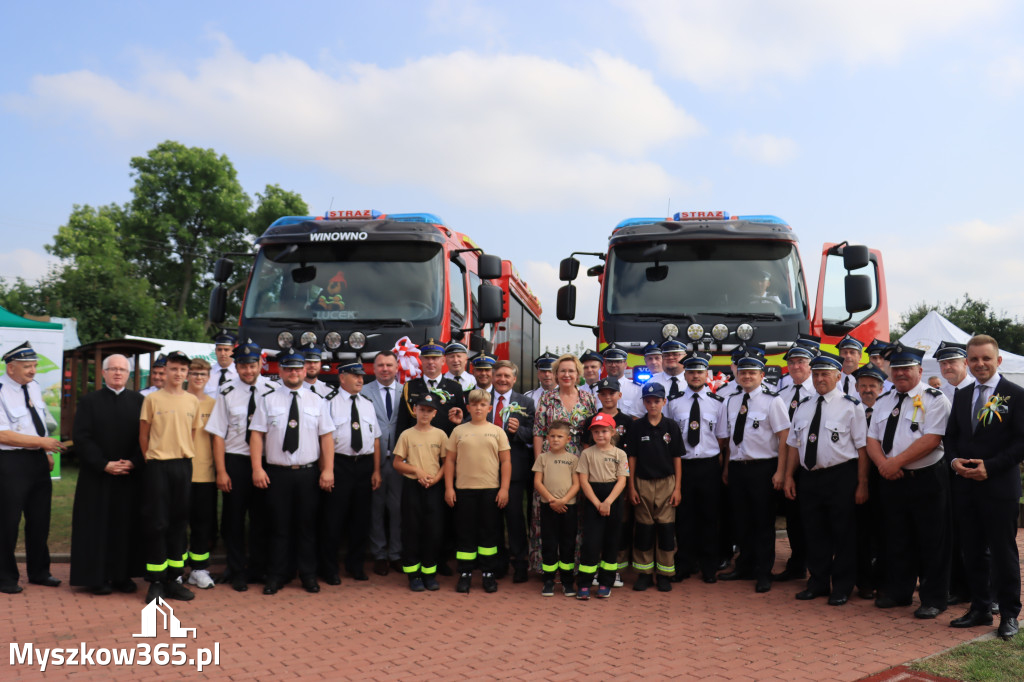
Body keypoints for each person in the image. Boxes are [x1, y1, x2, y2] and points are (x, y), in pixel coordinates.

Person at [866, 342, 951, 619]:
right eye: (896, 368)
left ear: (918, 369)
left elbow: (932, 439)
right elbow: (872, 439)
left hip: (926, 479)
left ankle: (934, 599)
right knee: (896, 538)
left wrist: (895, 463)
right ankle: (899, 592)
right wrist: (883, 465)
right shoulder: (883, 400)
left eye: (906, 368)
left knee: (931, 540)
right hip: (891, 479)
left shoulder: (935, 398)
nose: (900, 373)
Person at [945, 335, 1023, 640]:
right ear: (967, 361)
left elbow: (1021, 442)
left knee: (1003, 553)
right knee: (972, 550)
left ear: (998, 360)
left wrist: (990, 467)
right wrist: (953, 463)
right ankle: (979, 608)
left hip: (999, 488)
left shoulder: (1015, 395)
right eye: (974, 359)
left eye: (985, 359)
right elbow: (950, 437)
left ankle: (1009, 614)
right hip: (965, 487)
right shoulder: (962, 396)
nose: (979, 364)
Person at [784, 352, 868, 606]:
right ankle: (817, 582)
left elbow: (862, 448)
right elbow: (793, 445)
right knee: (814, 531)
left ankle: (842, 586)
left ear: (838, 376)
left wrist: (862, 483)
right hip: (810, 477)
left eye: (825, 374)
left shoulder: (852, 406)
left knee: (843, 533)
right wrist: (789, 475)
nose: (820, 379)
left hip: (841, 476)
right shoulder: (804, 405)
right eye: (817, 374)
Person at [250, 348, 335, 595]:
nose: (294, 372)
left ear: (305, 370)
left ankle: (307, 575)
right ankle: (277, 575)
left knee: (307, 527)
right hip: (278, 474)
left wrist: (327, 470)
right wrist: (257, 468)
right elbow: (257, 435)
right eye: (289, 368)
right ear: (281, 370)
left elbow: (326, 438)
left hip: (308, 474)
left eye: (298, 368)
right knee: (279, 527)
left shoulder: (317, 401)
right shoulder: (268, 400)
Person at [715, 347, 789, 593]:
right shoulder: (731, 401)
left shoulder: (773, 400)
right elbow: (727, 441)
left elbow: (784, 437)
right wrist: (726, 468)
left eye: (752, 372)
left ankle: (763, 572)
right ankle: (744, 566)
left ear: (761, 374)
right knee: (741, 521)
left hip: (763, 468)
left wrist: (780, 472)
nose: (746, 376)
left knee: (763, 522)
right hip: (738, 468)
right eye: (743, 372)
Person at [69, 353, 144, 595]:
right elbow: (82, 437)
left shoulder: (139, 401)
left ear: (129, 374)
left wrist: (133, 462)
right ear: (103, 373)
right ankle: (96, 577)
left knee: (125, 526)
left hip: (128, 477)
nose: (118, 373)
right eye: (112, 369)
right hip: (97, 476)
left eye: (122, 369)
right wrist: (104, 464)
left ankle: (122, 576)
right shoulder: (89, 401)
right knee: (95, 527)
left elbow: (146, 437)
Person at [204, 339, 274, 591]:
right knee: (233, 520)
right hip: (235, 461)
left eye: (252, 365)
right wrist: (221, 471)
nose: (248, 371)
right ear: (237, 365)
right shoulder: (226, 391)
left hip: (265, 463)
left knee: (261, 518)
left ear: (260, 364)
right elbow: (218, 434)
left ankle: (258, 568)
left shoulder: (272, 389)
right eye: (243, 366)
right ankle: (236, 569)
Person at [0, 341, 66, 594]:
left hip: (37, 460)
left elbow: (40, 423)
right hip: (11, 463)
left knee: (40, 520)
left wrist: (46, 451)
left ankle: (40, 572)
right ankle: (5, 577)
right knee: (8, 522)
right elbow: (2, 435)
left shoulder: (35, 388)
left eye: (34, 366)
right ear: (10, 368)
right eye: (27, 366)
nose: (33, 371)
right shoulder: (1, 391)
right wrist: (41, 443)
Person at [139, 350, 203, 603]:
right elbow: (143, 434)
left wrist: (182, 455)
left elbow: (193, 433)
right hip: (157, 466)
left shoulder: (192, 401)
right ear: (164, 371)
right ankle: (156, 580)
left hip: (182, 466)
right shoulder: (152, 399)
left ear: (187, 374)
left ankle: (174, 579)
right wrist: (150, 459)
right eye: (174, 368)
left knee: (178, 522)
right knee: (157, 522)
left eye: (183, 370)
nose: (178, 374)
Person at [530, 354, 597, 571]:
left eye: (571, 371)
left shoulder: (587, 399)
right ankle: (546, 565)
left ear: (578, 374)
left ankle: (573, 565)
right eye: (562, 371)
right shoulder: (547, 399)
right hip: (550, 460)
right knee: (547, 512)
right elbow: (539, 432)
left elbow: (592, 433)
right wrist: (540, 464)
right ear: (556, 374)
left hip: (579, 461)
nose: (566, 375)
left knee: (576, 512)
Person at [665, 351, 725, 584]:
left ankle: (709, 565)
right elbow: (671, 436)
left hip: (709, 465)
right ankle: (685, 563)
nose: (695, 376)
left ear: (706, 374)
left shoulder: (718, 403)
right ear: (686, 375)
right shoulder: (674, 403)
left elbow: (721, 437)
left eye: (699, 372)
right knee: (684, 518)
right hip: (684, 466)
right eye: (691, 372)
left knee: (710, 517)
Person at [444, 388, 511, 594]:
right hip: (464, 490)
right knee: (465, 533)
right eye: (474, 405)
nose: (478, 408)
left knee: (489, 533)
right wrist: (448, 488)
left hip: (490, 490)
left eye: (483, 405)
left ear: (489, 408)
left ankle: (488, 573)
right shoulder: (458, 431)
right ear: (468, 408)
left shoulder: (497, 431)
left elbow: (506, 461)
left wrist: (504, 489)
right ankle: (465, 573)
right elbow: (450, 461)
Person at [320, 362, 382, 583]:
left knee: (360, 519)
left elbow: (375, 439)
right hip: (339, 464)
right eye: (355, 376)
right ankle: (329, 568)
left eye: (361, 377)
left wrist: (376, 470)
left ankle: (355, 566)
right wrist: (325, 470)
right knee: (333, 519)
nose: (360, 380)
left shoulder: (367, 403)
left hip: (364, 465)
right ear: (342, 378)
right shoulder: (329, 404)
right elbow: (323, 439)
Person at [624, 382, 682, 592]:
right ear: (644, 403)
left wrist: (677, 488)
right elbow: (631, 457)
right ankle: (644, 573)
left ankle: (665, 573)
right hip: (643, 482)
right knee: (644, 529)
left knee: (666, 529)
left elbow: (677, 458)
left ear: (664, 402)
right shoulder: (637, 426)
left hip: (667, 482)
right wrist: (631, 486)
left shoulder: (671, 426)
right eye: (648, 401)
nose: (652, 404)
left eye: (657, 401)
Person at [772, 335, 821, 583]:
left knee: (814, 519)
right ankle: (797, 563)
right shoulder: (781, 395)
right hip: (792, 463)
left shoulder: (821, 392)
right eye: (791, 363)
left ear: (811, 365)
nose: (795, 367)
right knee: (793, 517)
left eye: (801, 362)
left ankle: (819, 568)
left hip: (815, 464)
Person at [933, 339, 975, 605]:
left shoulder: (979, 391)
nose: (948, 367)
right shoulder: (939, 395)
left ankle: (987, 590)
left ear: (965, 363)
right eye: (943, 363)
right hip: (946, 469)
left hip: (976, 469)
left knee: (979, 534)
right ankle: (959, 587)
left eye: (952, 362)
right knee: (953, 531)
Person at [392, 393, 448, 592]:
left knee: (433, 530)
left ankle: (429, 573)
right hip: (412, 488)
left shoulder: (440, 435)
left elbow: (446, 462)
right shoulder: (407, 434)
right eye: (421, 409)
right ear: (414, 410)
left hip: (433, 487)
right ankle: (413, 575)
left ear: (434, 413)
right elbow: (397, 463)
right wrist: (416, 471)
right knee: (412, 529)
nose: (424, 414)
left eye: (429, 410)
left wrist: (436, 478)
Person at [488, 360, 535, 583]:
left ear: (514, 379)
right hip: (486, 469)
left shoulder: (526, 402)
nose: (503, 379)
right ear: (492, 377)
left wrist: (519, 432)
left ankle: (520, 562)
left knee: (515, 517)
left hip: (515, 470)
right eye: (499, 375)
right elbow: (471, 422)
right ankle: (498, 562)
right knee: (493, 520)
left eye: (507, 376)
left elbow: (534, 432)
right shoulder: (482, 400)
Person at [576, 413, 629, 600]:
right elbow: (583, 480)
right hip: (593, 500)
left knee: (611, 541)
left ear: (612, 432)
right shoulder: (587, 453)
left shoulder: (620, 454)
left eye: (604, 431)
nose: (600, 435)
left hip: (613, 498)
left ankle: (606, 582)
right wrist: (597, 503)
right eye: (596, 432)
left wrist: (608, 502)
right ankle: (584, 583)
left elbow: (622, 481)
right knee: (591, 543)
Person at [852, 362, 889, 600]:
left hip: (885, 474)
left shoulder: (888, 410)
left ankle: (885, 580)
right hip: (856, 476)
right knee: (860, 531)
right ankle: (864, 581)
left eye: (872, 386)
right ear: (856, 387)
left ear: (881, 387)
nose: (868, 390)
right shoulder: (849, 409)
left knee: (886, 530)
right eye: (863, 385)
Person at [364, 350, 402, 577]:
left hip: (399, 460)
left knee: (397, 509)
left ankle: (396, 554)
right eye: (380, 365)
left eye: (389, 365)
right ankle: (379, 554)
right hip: (374, 460)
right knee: (375, 509)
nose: (385, 369)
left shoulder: (406, 391)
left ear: (397, 368)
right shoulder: (364, 392)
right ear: (374, 368)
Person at [532, 421, 580, 597]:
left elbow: (577, 484)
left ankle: (567, 582)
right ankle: (549, 581)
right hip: (548, 507)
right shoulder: (543, 458)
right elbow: (537, 482)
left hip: (568, 508)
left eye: (560, 436)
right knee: (549, 544)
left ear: (568, 439)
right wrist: (552, 500)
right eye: (552, 436)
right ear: (547, 438)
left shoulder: (573, 459)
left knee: (567, 544)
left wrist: (564, 501)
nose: (555, 439)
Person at [185, 359, 217, 590]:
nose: (198, 377)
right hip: (178, 472)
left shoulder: (214, 405)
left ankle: (199, 569)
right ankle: (175, 570)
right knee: (176, 524)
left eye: (202, 374)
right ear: (187, 375)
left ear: (208, 377)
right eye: (194, 373)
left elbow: (218, 440)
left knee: (202, 525)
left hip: (205, 473)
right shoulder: (178, 401)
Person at [397, 340, 465, 437]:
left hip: (446, 444)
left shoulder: (455, 387)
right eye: (426, 358)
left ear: (443, 361)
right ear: (421, 359)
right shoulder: (410, 386)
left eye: (435, 358)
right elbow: (402, 422)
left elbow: (462, 421)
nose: (430, 362)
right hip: (417, 444)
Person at [602, 344, 643, 418]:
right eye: (610, 361)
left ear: (625, 364)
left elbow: (638, 417)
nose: (613, 365)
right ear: (605, 364)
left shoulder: (637, 389)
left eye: (618, 361)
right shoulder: (597, 388)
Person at [206, 331, 239, 396]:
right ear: (215, 351)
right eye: (219, 350)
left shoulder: (240, 374)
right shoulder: (206, 373)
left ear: (233, 351)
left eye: (226, 350)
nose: (222, 353)